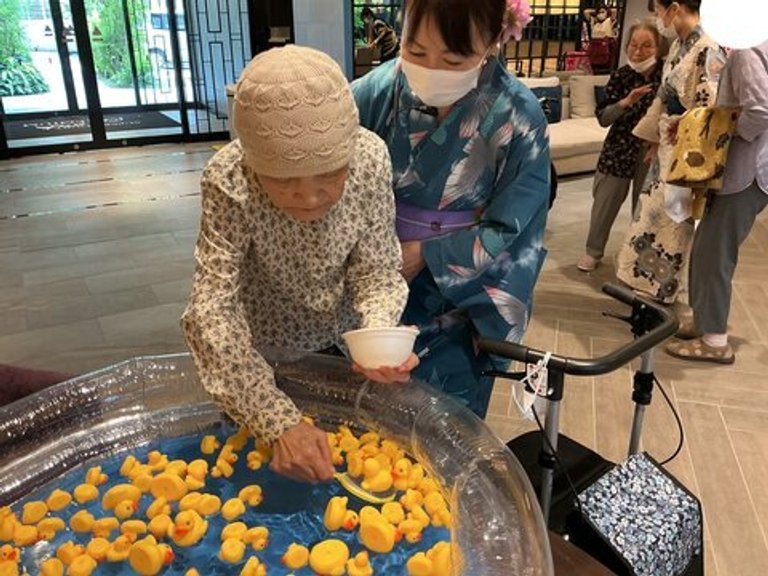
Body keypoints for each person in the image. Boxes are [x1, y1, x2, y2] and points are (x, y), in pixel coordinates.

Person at [182, 46, 415, 484]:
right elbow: (212, 310)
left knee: (347, 464)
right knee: (255, 473)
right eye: (283, 181)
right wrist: (273, 418)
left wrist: (378, 336)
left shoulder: (369, 158)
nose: (309, 197)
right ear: (253, 164)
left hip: (341, 347)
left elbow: (376, 269)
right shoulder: (229, 179)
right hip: (257, 358)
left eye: (330, 174)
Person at [352, 0, 550, 418]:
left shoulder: (519, 115)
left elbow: (514, 228)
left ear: (493, 40)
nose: (431, 69)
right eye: (416, 51)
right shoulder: (374, 93)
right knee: (362, 421)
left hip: (457, 307)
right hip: (371, 284)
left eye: (454, 59)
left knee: (442, 427)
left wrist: (428, 253)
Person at [615, 0, 725, 304]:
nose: (657, 18)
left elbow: (710, 107)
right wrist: (653, 138)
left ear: (674, 8)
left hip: (688, 147)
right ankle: (643, 281)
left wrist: (679, 128)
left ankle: (662, 290)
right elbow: (664, 95)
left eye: (658, 10)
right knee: (651, 214)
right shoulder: (678, 45)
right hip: (667, 141)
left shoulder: (708, 47)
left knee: (676, 220)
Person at [666, 40, 768, 364]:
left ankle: (714, 340)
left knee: (715, 252)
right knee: (708, 246)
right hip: (750, 169)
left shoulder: (749, 49)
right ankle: (704, 320)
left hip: (746, 170)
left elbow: (760, 110)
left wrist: (724, 132)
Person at [578, 21, 662, 272]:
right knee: (604, 203)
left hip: (651, 149)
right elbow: (603, 118)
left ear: (658, 48)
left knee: (645, 207)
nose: (639, 52)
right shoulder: (620, 76)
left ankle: (640, 257)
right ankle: (593, 251)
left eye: (646, 46)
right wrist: (626, 102)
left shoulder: (667, 75)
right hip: (619, 148)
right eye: (633, 45)